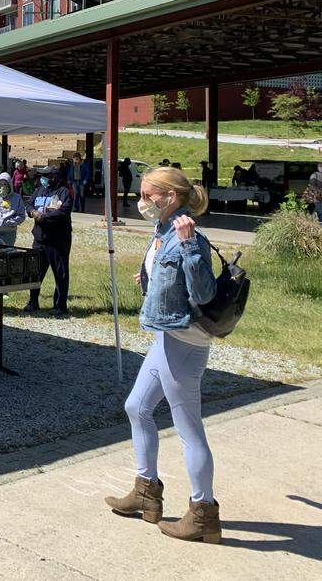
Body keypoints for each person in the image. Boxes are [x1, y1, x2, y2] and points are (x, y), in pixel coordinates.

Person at [105, 167, 221, 544]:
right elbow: (170, 283)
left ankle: (203, 513)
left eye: (148, 194)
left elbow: (203, 294)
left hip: (185, 344)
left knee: (189, 429)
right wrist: (150, 281)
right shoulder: (162, 230)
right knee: (136, 407)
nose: (141, 201)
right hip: (165, 338)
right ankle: (145, 493)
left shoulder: (188, 236)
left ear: (171, 197)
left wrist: (188, 246)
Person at [24, 165, 72, 314]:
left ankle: (60, 306)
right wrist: (32, 212)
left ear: (54, 177)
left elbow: (64, 211)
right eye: (41, 176)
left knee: (60, 273)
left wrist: (43, 216)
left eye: (46, 176)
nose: (42, 179)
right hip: (39, 239)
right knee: (35, 272)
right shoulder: (39, 190)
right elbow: (29, 204)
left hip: (57, 240)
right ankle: (33, 302)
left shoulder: (63, 192)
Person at [0, 172, 25, 243]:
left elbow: (21, 215)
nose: (2, 186)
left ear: (10, 185)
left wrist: (10, 222)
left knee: (7, 252)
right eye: (0, 184)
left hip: (9, 233)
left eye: (5, 184)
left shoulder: (16, 197)